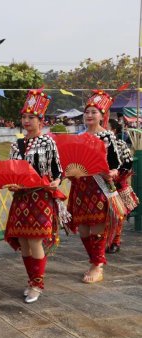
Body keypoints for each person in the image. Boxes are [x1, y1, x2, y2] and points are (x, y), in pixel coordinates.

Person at [5, 89, 63, 303]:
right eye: (24, 117)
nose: (27, 121)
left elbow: (58, 171)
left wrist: (56, 181)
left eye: (32, 117)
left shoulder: (48, 142)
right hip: (21, 198)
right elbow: (12, 172)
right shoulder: (16, 144)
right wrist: (12, 184)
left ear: (41, 120)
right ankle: (31, 280)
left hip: (40, 197)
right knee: (24, 241)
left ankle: (38, 284)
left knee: (35, 240)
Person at [68, 90, 122, 283]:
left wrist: (112, 172)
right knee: (83, 229)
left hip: (99, 186)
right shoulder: (78, 137)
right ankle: (95, 260)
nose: (89, 115)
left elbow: (116, 164)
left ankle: (97, 265)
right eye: (87, 112)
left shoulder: (107, 137)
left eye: (94, 112)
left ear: (102, 116)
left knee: (97, 228)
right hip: (81, 187)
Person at [107, 119, 138, 253]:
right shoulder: (95, 143)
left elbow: (128, 163)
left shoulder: (120, 144)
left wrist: (116, 174)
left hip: (117, 183)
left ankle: (115, 241)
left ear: (114, 130)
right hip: (100, 184)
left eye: (106, 127)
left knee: (118, 214)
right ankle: (105, 241)